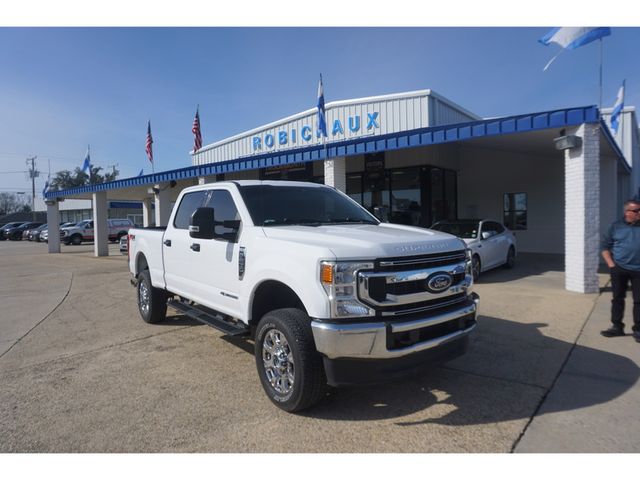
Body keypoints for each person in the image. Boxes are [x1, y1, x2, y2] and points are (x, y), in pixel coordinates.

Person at [600, 199, 640, 342]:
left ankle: (638, 330)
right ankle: (617, 327)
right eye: (636, 211)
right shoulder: (616, 226)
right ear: (627, 212)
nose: (639, 213)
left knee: (638, 301)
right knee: (617, 298)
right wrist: (611, 265)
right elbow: (605, 247)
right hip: (619, 268)